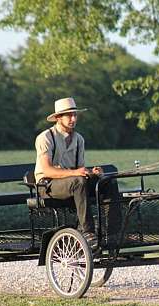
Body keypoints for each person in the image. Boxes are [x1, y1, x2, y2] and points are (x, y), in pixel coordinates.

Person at [34, 97, 102, 248]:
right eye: (69, 115)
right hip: (47, 185)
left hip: (72, 183)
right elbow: (47, 170)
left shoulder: (79, 140)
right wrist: (78, 173)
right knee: (78, 181)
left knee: (106, 183)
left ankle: (113, 230)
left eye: (75, 115)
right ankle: (88, 232)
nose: (73, 118)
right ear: (58, 118)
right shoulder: (45, 137)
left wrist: (92, 173)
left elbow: (79, 171)